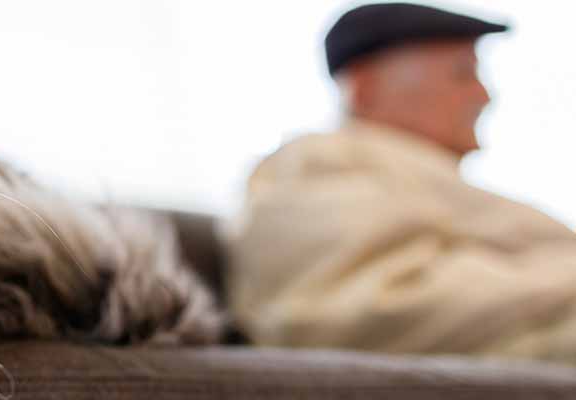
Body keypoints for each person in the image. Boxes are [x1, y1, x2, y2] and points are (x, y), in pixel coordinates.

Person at [228, 3, 576, 364]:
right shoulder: (317, 163)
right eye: (461, 74)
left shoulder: (403, 177)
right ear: (363, 90)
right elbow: (371, 307)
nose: (484, 95)